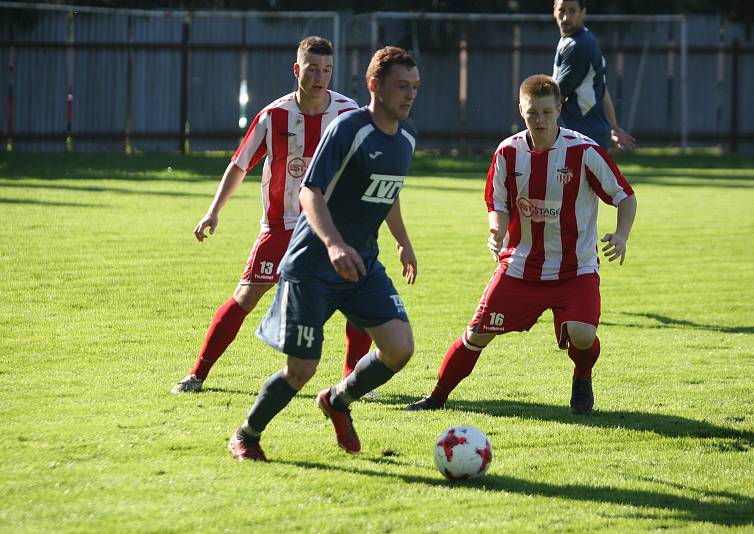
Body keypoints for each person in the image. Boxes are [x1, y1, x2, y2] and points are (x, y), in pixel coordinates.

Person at [228, 46, 421, 461]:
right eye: (401, 86)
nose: (409, 95)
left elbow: (389, 193)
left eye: (414, 87)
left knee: (399, 347)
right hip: (313, 264)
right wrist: (333, 243)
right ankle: (247, 434)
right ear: (375, 86)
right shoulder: (349, 129)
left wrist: (403, 241)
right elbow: (309, 191)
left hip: (362, 264)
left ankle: (337, 400)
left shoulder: (406, 138)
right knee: (301, 369)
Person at [404, 74, 636, 415]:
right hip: (519, 266)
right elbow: (497, 204)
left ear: (560, 108)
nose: (539, 120)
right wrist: (496, 231)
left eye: (546, 112)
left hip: (576, 269)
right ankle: (436, 397)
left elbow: (626, 197)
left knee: (583, 335)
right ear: (520, 110)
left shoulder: (584, 151)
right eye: (532, 113)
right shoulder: (508, 152)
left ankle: (582, 375)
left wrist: (621, 235)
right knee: (476, 335)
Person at [171, 37, 374, 394]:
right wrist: (213, 211)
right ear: (297, 70)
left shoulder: (348, 112)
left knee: (357, 298)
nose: (320, 77)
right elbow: (239, 165)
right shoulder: (273, 116)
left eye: (327, 70)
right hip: (281, 228)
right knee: (245, 297)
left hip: (331, 229)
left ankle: (352, 383)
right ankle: (197, 374)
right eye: (313, 70)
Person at [552, 0, 636, 151]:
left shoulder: (579, 46)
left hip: (581, 138)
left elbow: (556, 97)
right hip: (589, 136)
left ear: (583, 12)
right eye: (562, 10)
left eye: (572, 11)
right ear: (554, 10)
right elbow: (602, 89)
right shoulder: (577, 39)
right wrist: (614, 127)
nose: (565, 17)